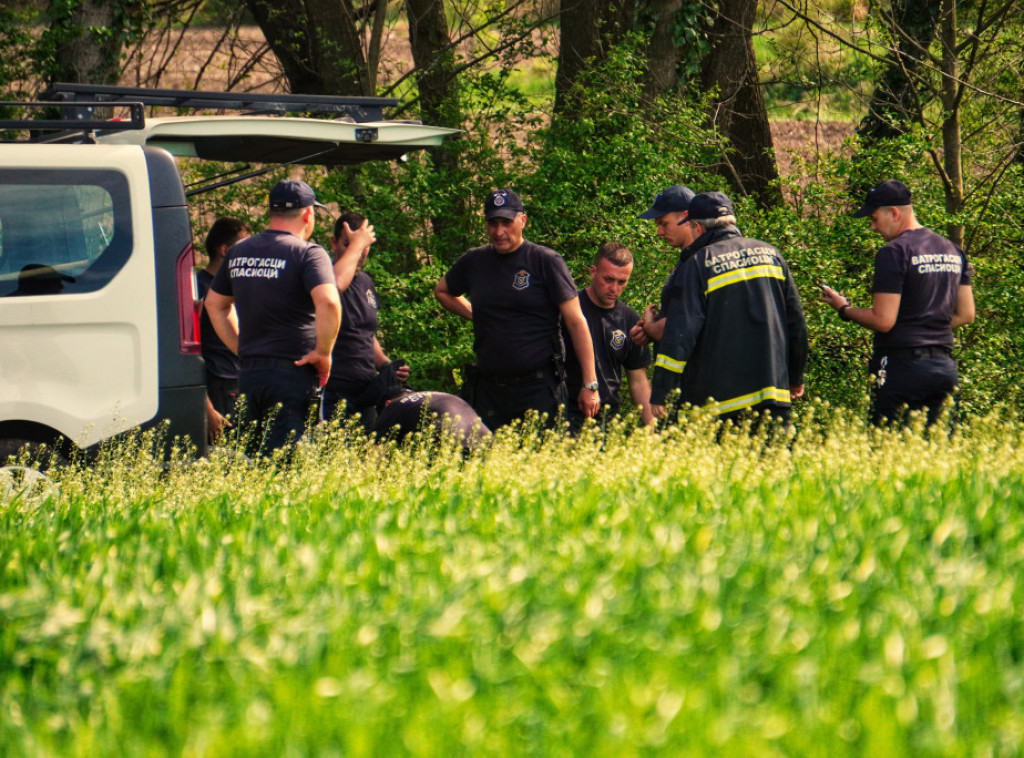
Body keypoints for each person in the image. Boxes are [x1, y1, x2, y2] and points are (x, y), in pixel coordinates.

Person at [434, 188, 601, 430]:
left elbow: (576, 322)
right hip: (489, 389)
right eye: (492, 223)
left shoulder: (545, 261)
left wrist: (590, 384)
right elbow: (442, 291)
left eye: (506, 222)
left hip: (538, 387)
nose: (499, 231)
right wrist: (477, 315)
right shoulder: (475, 261)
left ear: (522, 221)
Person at [205, 179, 347, 456]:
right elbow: (329, 302)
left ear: (271, 213)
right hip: (292, 373)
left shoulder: (238, 252)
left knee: (251, 459)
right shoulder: (308, 253)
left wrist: (240, 347)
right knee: (286, 464)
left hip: (248, 375)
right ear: (308, 214)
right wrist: (323, 351)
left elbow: (215, 305)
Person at [821, 179, 975, 425]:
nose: (872, 227)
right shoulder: (952, 250)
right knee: (938, 452)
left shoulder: (894, 252)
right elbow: (966, 314)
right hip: (944, 369)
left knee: (887, 449)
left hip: (901, 369)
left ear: (893, 213)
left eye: (873, 218)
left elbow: (883, 320)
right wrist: (927, 331)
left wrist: (844, 308)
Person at [649, 191, 808, 423]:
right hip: (773, 397)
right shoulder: (771, 254)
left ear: (697, 227)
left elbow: (680, 334)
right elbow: (796, 323)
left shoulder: (699, 263)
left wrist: (662, 391)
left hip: (721, 405)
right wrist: (795, 376)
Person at [321, 211, 409, 429]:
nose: (358, 252)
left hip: (366, 391)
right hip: (333, 390)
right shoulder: (323, 278)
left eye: (363, 246)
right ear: (333, 243)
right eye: (348, 244)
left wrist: (387, 365)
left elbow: (367, 336)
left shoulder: (366, 282)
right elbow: (333, 287)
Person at [562, 242, 654, 432]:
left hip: (608, 419)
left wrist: (652, 430)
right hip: (566, 413)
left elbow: (637, 380)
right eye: (608, 279)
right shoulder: (569, 310)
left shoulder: (628, 319)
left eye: (622, 282)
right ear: (593, 271)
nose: (614, 288)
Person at [197, 217, 250, 442]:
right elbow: (187, 353)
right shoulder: (197, 287)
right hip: (220, 383)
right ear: (224, 250)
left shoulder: (241, 285)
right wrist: (205, 405)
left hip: (244, 379)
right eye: (244, 246)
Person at [629, 184, 697, 348]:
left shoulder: (701, 263)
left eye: (664, 224)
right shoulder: (685, 261)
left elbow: (689, 323)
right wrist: (651, 329)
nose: (659, 232)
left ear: (686, 218)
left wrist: (651, 326)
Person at [374, 386, 491, 450]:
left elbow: (375, 451)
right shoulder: (436, 396)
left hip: (449, 445)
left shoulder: (394, 405)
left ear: (387, 403)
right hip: (486, 442)